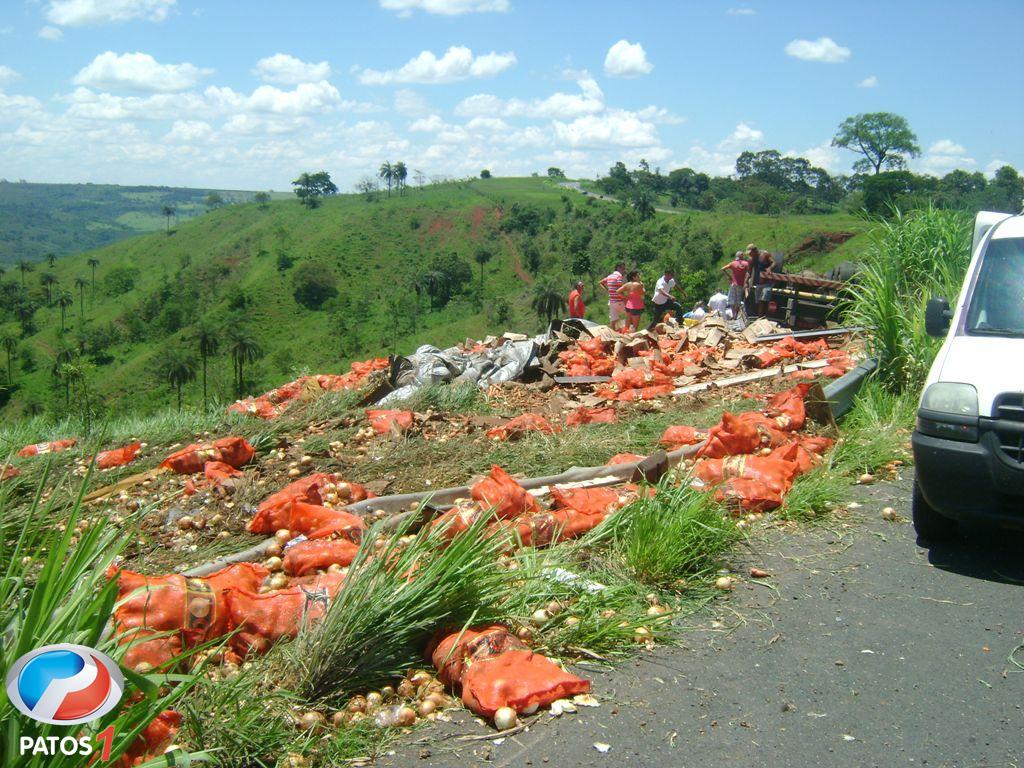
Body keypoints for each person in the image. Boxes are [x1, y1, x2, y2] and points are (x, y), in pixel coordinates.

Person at [747, 243, 776, 317]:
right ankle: (761, 317)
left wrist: (769, 268)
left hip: (767, 283)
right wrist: (745, 282)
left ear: (755, 250)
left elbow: (774, 263)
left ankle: (762, 318)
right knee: (758, 302)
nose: (750, 255)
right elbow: (749, 272)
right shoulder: (751, 259)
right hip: (758, 284)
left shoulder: (765, 254)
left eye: (751, 253)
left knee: (763, 300)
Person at [721, 250, 750, 320]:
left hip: (733, 284)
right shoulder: (746, 264)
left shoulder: (733, 263)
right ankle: (736, 315)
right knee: (738, 301)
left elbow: (722, 269)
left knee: (731, 300)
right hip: (741, 285)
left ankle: (733, 314)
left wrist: (729, 277)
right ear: (742, 256)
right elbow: (749, 273)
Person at [599, 262, 626, 329]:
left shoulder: (609, 276)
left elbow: (600, 282)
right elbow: (620, 290)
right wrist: (625, 298)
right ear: (618, 268)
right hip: (619, 301)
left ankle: (612, 335)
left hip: (612, 301)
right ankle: (628, 330)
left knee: (613, 320)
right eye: (623, 268)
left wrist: (607, 290)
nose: (624, 270)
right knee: (630, 314)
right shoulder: (619, 276)